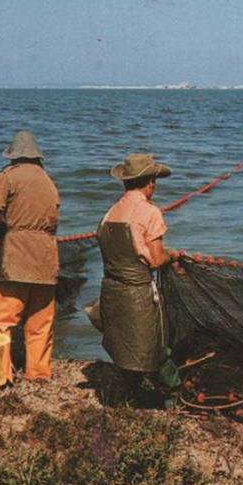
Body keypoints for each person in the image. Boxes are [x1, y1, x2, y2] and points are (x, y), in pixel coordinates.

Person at [96, 152, 181, 407]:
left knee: (124, 344)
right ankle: (174, 398)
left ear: (125, 182)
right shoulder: (150, 212)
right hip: (137, 293)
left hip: (111, 291)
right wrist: (173, 255)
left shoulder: (110, 212)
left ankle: (126, 395)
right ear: (151, 182)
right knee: (157, 347)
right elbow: (155, 260)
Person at [0, 130, 61, 388]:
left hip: (15, 258)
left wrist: (1, 232)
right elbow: (53, 222)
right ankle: (38, 373)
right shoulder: (48, 180)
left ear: (13, 156)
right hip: (46, 258)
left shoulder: (8, 177)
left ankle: (1, 375)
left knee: (0, 319)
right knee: (40, 321)